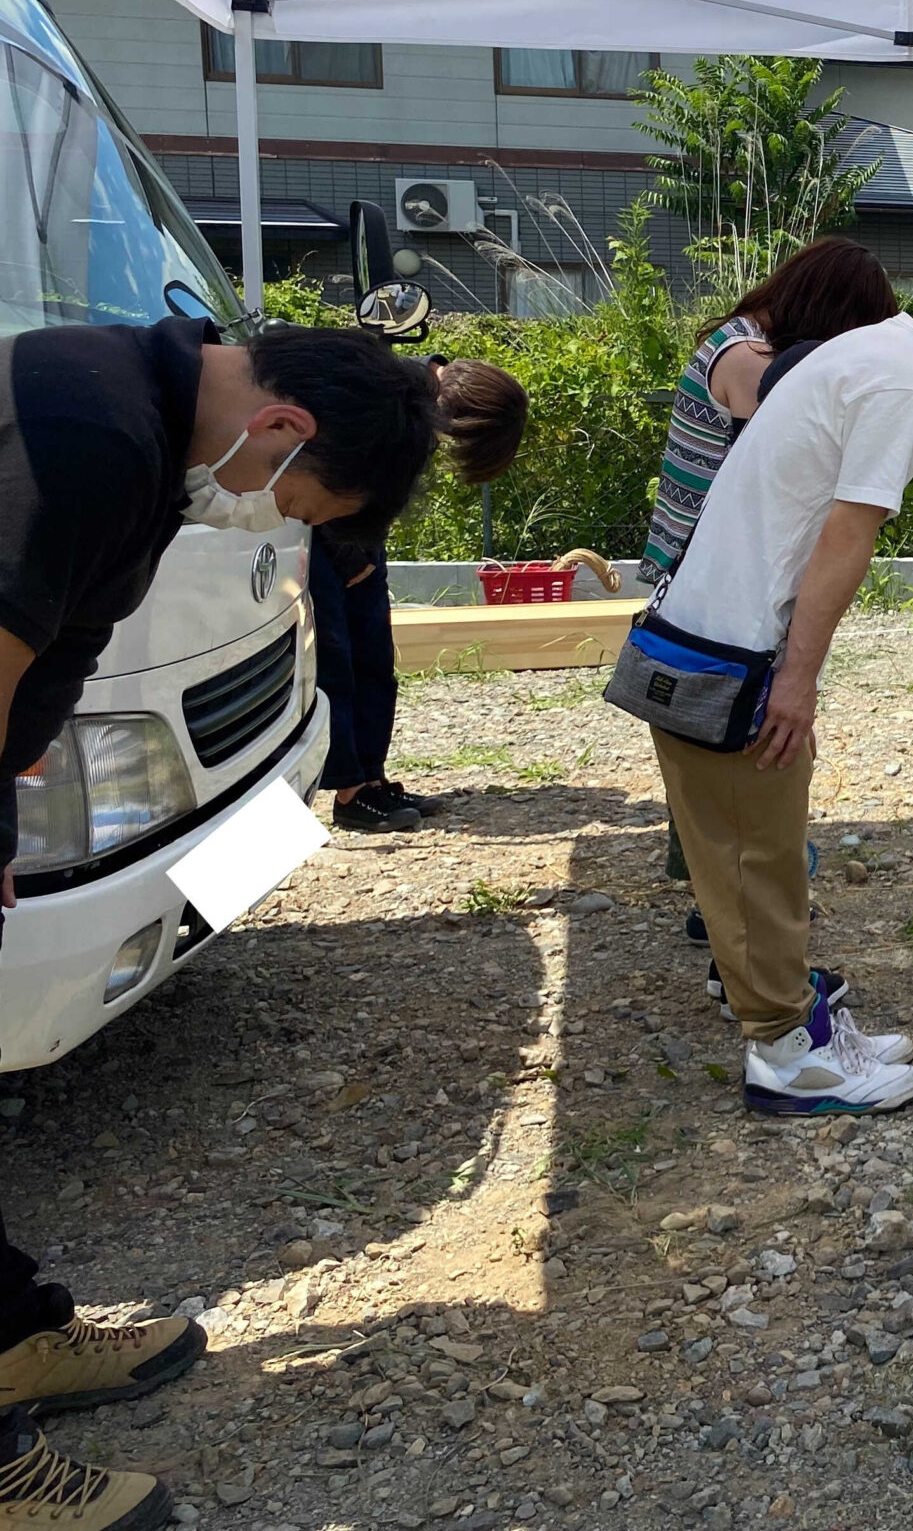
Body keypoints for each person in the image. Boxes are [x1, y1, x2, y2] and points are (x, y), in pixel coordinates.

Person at [0, 316, 441, 1529]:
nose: (278, 523)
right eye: (298, 502)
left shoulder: (142, 418)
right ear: (282, 424)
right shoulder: (93, 430)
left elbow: (59, 644)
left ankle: (10, 1336)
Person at [639, 276, 913, 1115]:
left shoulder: (873, 345)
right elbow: (849, 532)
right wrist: (796, 681)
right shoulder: (908, 381)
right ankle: (783, 1057)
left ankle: (800, 1024)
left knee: (762, 844)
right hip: (733, 644)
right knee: (751, 859)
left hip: (719, 622)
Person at [640, 239, 903, 918]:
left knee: (714, 725)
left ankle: (723, 890)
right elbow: (800, 428)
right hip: (713, 571)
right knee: (729, 727)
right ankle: (727, 898)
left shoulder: (742, 339)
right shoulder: (746, 355)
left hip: (711, 563)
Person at [317, 356, 528, 832]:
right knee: (336, 662)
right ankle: (348, 790)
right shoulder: (383, 394)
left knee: (374, 659)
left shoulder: (413, 401)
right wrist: (349, 553)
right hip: (324, 539)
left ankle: (371, 778)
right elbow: (325, 476)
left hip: (359, 541)